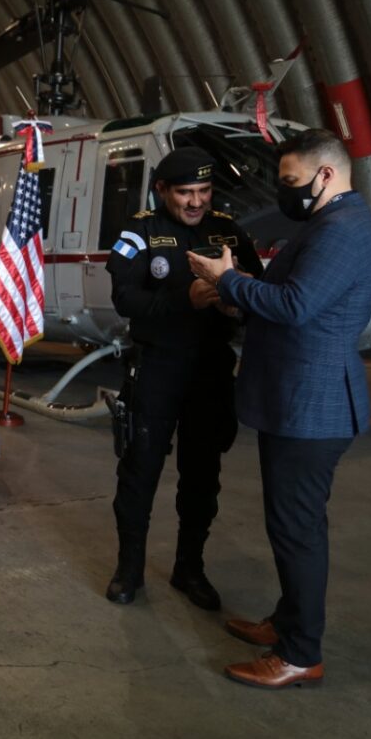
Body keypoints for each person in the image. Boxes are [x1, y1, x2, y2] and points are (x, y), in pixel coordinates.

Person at [188, 129, 371, 689]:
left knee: (298, 531)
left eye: (291, 181)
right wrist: (238, 289)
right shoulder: (326, 223)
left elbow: (296, 306)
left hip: (313, 405)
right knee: (292, 525)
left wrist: (227, 280)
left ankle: (300, 654)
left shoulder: (342, 230)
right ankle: (287, 622)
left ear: (327, 174)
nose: (284, 192)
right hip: (295, 401)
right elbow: (292, 298)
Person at [104, 147, 263, 610]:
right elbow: (125, 298)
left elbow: (257, 287)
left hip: (210, 370)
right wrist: (183, 300)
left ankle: (189, 568)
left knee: (202, 475)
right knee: (140, 471)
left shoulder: (228, 231)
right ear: (161, 190)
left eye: (204, 191)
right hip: (158, 367)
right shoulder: (139, 232)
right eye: (185, 193)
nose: (196, 202)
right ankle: (129, 569)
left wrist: (237, 305)